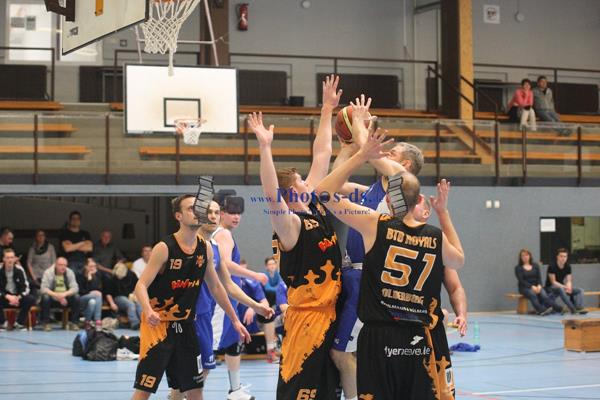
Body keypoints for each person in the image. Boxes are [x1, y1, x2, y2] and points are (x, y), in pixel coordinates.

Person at [315, 129, 465, 400]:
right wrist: (443, 213)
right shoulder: (434, 236)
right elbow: (459, 259)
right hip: (417, 330)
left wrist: (360, 143)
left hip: (382, 327)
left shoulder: (377, 226)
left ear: (389, 198)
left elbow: (323, 193)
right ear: (419, 201)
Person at [247, 74, 344, 400]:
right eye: (301, 181)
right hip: (306, 321)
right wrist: (265, 148)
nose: (308, 182)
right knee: (297, 393)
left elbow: (322, 153)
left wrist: (327, 109)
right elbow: (270, 193)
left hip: (330, 315)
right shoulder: (289, 225)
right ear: (291, 193)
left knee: (329, 393)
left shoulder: (314, 206)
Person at [328, 95, 423, 400]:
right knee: (354, 354)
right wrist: (346, 149)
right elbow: (333, 185)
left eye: (391, 152)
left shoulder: (401, 181)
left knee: (342, 354)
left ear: (404, 164)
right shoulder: (372, 189)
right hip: (353, 276)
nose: (383, 150)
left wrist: (359, 122)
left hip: (370, 280)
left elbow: (369, 151)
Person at [131, 194, 250, 400]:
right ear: (178, 216)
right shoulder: (164, 247)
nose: (198, 212)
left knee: (196, 389)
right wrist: (148, 310)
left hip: (186, 326)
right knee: (145, 390)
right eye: (190, 209)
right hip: (159, 327)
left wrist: (235, 320)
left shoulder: (206, 248)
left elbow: (216, 287)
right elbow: (140, 285)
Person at [170, 200, 272, 400]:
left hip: (204, 315)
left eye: (216, 212)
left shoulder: (212, 247)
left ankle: (231, 389)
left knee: (200, 371)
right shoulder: (178, 246)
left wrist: (255, 306)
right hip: (183, 318)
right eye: (209, 212)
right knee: (189, 375)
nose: (213, 216)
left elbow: (226, 285)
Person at [211, 195, 272, 400]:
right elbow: (225, 264)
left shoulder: (220, 233)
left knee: (232, 344)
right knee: (209, 348)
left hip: (229, 299)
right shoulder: (223, 234)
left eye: (239, 213)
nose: (236, 217)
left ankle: (235, 389)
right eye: (231, 213)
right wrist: (254, 275)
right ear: (221, 213)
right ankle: (185, 392)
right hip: (220, 302)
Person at [514, 249, 562, 315]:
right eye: (523, 255)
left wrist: (539, 285)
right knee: (533, 295)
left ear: (530, 256)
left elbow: (539, 278)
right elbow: (521, 281)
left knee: (544, 296)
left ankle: (558, 309)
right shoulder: (518, 268)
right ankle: (541, 310)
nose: (525, 257)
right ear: (520, 257)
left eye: (527, 255)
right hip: (524, 288)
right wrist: (532, 287)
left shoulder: (535, 265)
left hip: (537, 286)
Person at [40, 257, 80, 331]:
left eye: (65, 265)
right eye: (61, 265)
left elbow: (75, 288)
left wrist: (64, 294)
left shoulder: (69, 272)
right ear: (56, 265)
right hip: (52, 298)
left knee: (76, 297)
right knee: (45, 297)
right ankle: (46, 323)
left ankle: (74, 323)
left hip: (65, 299)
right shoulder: (48, 272)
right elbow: (43, 288)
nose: (63, 267)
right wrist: (57, 295)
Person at [0, 249, 36, 331]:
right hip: (4, 298)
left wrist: (18, 297)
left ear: (14, 259)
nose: (10, 260)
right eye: (8, 258)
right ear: (4, 259)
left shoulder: (20, 270)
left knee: (31, 299)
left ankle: (19, 323)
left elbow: (26, 287)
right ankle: (2, 323)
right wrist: (7, 296)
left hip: (17, 298)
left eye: (12, 257)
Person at [546, 248, 588, 314]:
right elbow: (553, 282)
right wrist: (565, 287)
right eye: (561, 256)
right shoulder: (552, 266)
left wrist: (569, 287)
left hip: (562, 286)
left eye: (565, 256)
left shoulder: (568, 266)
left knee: (580, 290)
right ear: (557, 257)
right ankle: (572, 309)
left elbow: (569, 280)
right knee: (561, 289)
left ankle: (579, 307)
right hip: (550, 287)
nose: (563, 258)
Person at [105, 262, 142, 329]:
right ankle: (135, 323)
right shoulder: (112, 278)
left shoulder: (131, 274)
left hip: (131, 295)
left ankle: (145, 323)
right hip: (118, 297)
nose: (119, 277)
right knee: (130, 304)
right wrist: (112, 304)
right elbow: (108, 293)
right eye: (118, 276)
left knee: (139, 303)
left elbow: (138, 285)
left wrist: (135, 294)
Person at [77, 258, 103, 329]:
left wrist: (92, 278)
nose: (93, 268)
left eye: (94, 266)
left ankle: (87, 321)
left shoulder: (97, 276)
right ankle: (98, 319)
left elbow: (99, 289)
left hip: (93, 298)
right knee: (98, 295)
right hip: (81, 298)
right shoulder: (80, 275)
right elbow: (81, 290)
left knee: (92, 302)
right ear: (86, 267)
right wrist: (88, 280)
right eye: (91, 266)